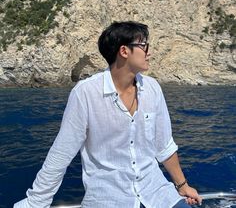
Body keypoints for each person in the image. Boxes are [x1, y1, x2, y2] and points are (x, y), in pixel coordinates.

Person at [14, 21, 202, 208]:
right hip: (109, 199)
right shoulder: (86, 93)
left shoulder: (152, 88)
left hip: (157, 193)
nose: (149, 52)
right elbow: (62, 153)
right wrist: (37, 202)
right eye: (144, 46)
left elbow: (164, 145)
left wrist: (182, 185)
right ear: (124, 51)